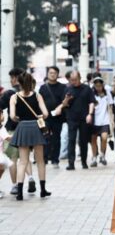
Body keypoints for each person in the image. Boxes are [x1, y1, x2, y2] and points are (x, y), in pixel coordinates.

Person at [8, 72, 51, 200]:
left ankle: (20, 193)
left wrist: (18, 118)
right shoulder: (38, 95)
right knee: (40, 161)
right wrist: (39, 116)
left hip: (22, 128)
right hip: (36, 128)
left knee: (23, 162)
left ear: (19, 83)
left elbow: (12, 116)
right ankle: (43, 190)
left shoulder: (14, 97)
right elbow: (46, 113)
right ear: (31, 82)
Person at [0, 67, 34, 195]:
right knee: (25, 158)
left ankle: (15, 185)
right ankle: (30, 178)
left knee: (13, 158)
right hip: (28, 129)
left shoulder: (10, 94)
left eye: (11, 78)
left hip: (13, 129)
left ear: (15, 78)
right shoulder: (31, 92)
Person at [64, 71, 96, 170]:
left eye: (75, 80)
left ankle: (84, 162)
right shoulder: (68, 89)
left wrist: (90, 114)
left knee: (83, 141)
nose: (73, 82)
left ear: (79, 78)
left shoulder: (87, 89)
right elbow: (64, 105)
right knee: (71, 140)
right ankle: (71, 163)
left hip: (84, 118)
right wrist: (66, 99)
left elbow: (91, 102)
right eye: (71, 80)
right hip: (72, 118)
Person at [39, 66, 67, 168]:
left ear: (57, 74)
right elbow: (39, 102)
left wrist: (60, 108)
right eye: (50, 73)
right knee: (44, 138)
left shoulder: (63, 87)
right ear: (47, 74)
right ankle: (44, 159)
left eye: (54, 73)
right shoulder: (43, 88)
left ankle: (55, 160)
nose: (52, 74)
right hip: (45, 117)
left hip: (58, 118)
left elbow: (65, 101)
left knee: (56, 138)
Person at [89, 78, 113, 167]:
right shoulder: (91, 94)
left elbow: (110, 107)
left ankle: (102, 155)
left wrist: (112, 120)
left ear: (103, 85)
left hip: (105, 120)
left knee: (104, 137)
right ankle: (94, 157)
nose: (98, 87)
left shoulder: (107, 94)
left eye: (100, 85)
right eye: (96, 86)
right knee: (93, 139)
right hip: (94, 121)